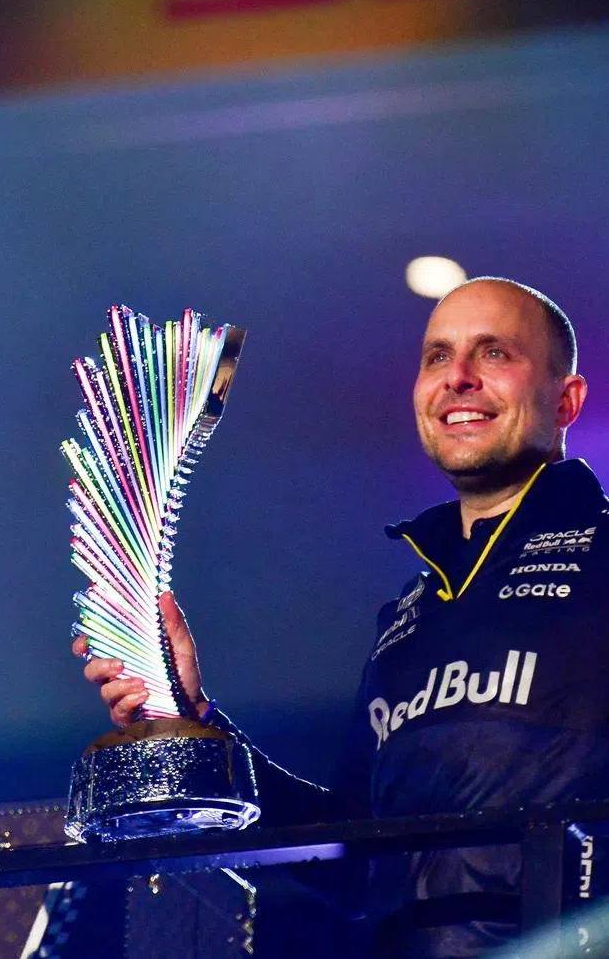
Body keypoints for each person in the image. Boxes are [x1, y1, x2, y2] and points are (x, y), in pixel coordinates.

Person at [75, 277, 609, 956]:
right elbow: (350, 854)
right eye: (437, 357)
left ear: (566, 400)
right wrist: (196, 720)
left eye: (495, 353)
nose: (460, 378)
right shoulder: (408, 619)